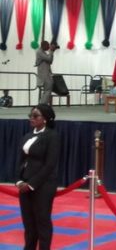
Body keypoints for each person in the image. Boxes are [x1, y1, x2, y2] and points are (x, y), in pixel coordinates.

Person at [15, 104, 61, 250]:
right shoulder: (27, 136)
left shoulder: (52, 136)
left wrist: (31, 184)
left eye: (35, 116)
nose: (32, 118)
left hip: (44, 185)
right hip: (25, 185)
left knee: (42, 223)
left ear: (45, 119)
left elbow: (50, 165)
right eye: (30, 116)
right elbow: (21, 160)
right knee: (29, 225)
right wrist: (20, 180)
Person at [35, 41, 57, 105]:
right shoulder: (39, 52)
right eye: (47, 45)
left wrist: (52, 52)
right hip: (44, 74)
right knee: (47, 90)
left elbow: (50, 62)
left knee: (48, 90)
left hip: (46, 74)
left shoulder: (43, 52)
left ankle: (42, 104)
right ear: (43, 45)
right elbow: (49, 59)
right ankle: (42, 104)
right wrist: (51, 51)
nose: (48, 47)